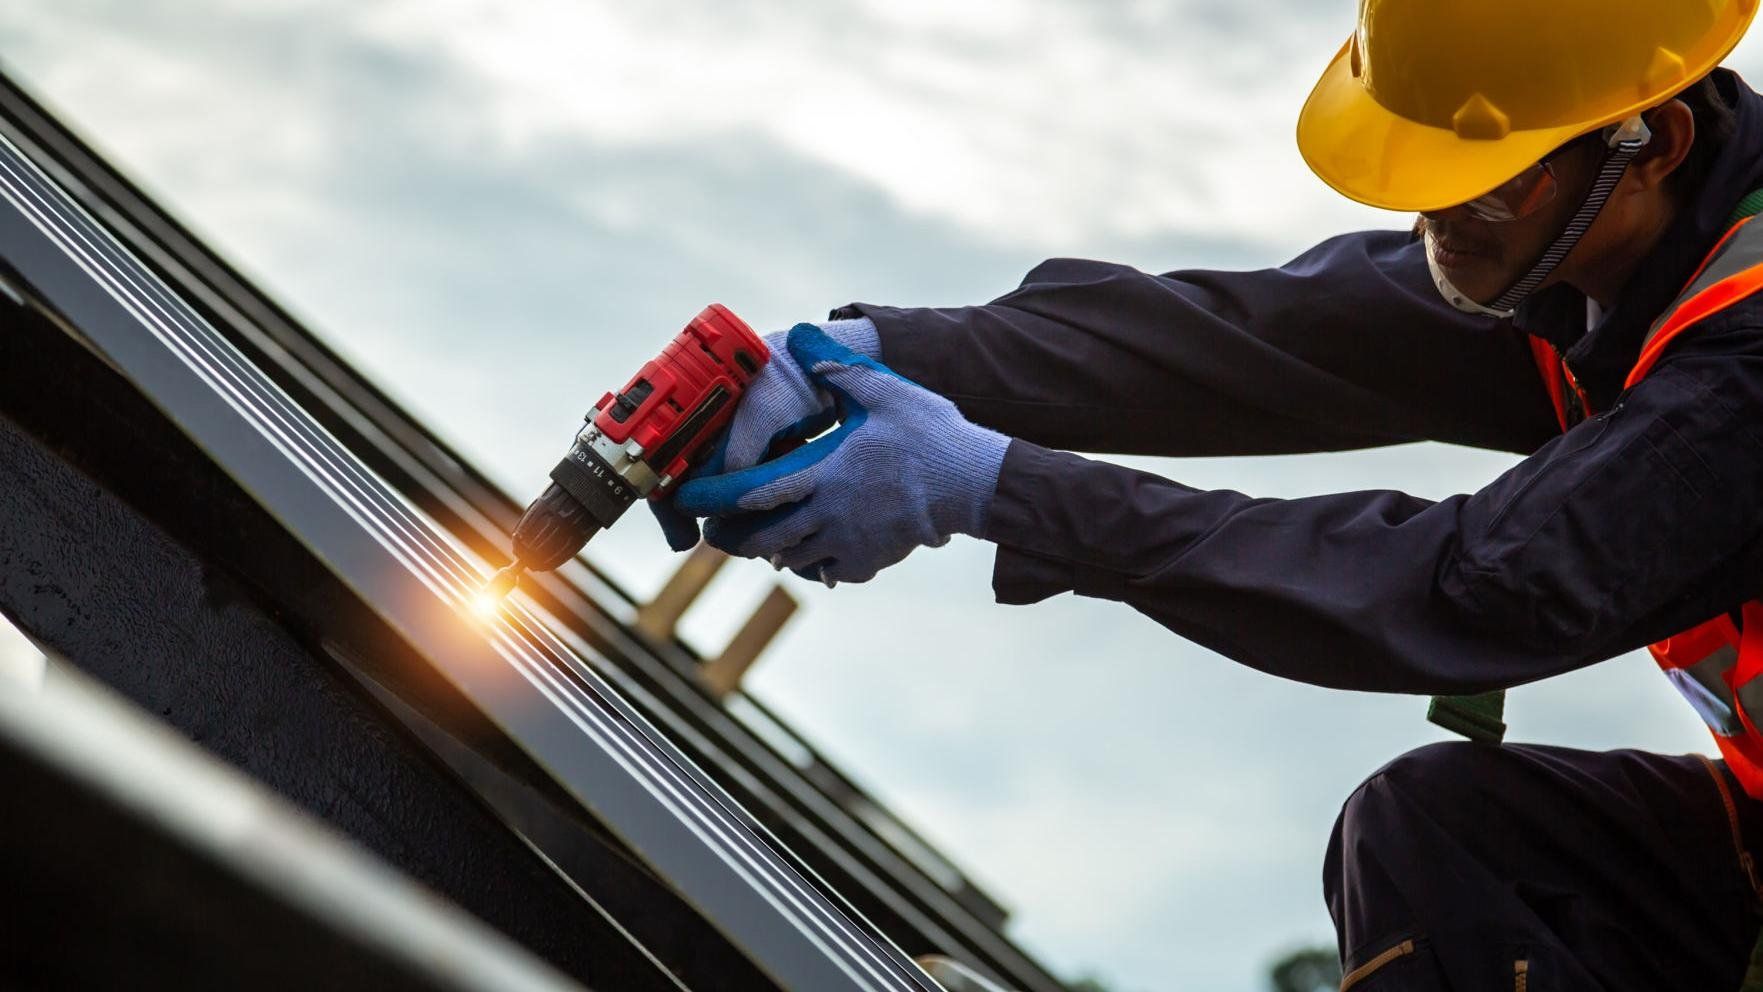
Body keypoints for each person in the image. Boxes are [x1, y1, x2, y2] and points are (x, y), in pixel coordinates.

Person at [655, 2, 1763, 987]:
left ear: (1651, 142)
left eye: (1478, 179)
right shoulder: (1602, 262)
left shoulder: (1742, 360)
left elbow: (1470, 587)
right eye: (1415, 171)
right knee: (1442, 837)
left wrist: (984, 485)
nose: (1436, 219)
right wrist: (860, 354)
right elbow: (1245, 340)